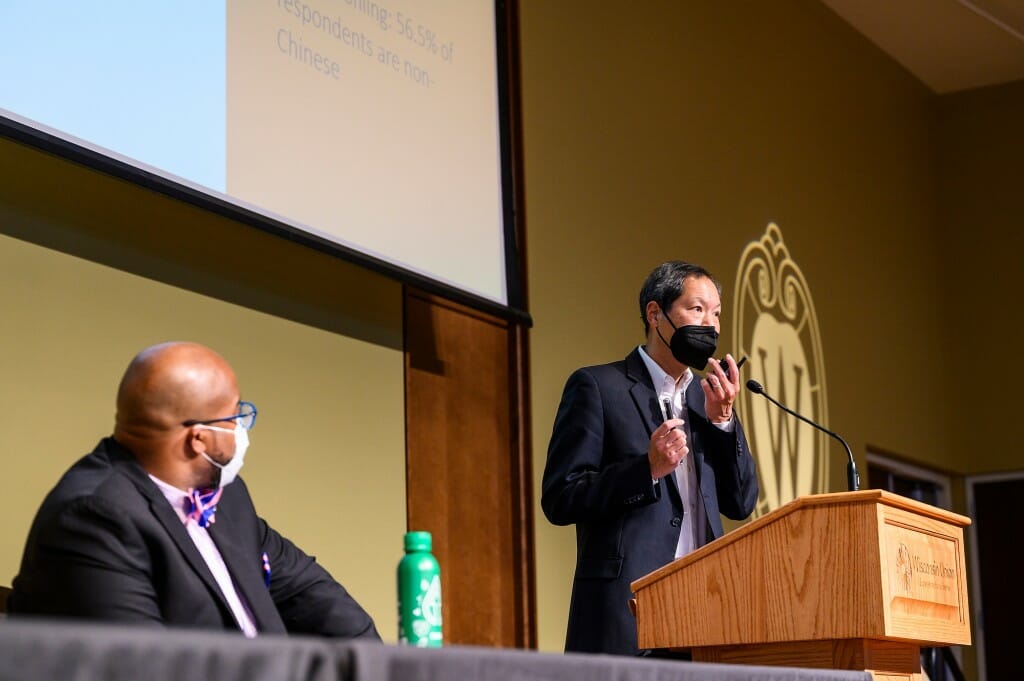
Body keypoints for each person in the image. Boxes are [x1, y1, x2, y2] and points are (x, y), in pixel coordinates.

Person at [8, 341, 379, 640]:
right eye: (236, 416)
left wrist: (378, 665)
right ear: (199, 438)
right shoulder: (94, 517)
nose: (241, 428)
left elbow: (307, 589)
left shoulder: (226, 494)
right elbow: (145, 666)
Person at [541, 261, 759, 656]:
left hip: (706, 616)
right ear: (655, 314)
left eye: (716, 314)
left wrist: (724, 421)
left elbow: (741, 503)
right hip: (628, 615)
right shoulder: (598, 387)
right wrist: (647, 470)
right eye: (697, 310)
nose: (710, 324)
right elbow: (560, 496)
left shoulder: (707, 399)